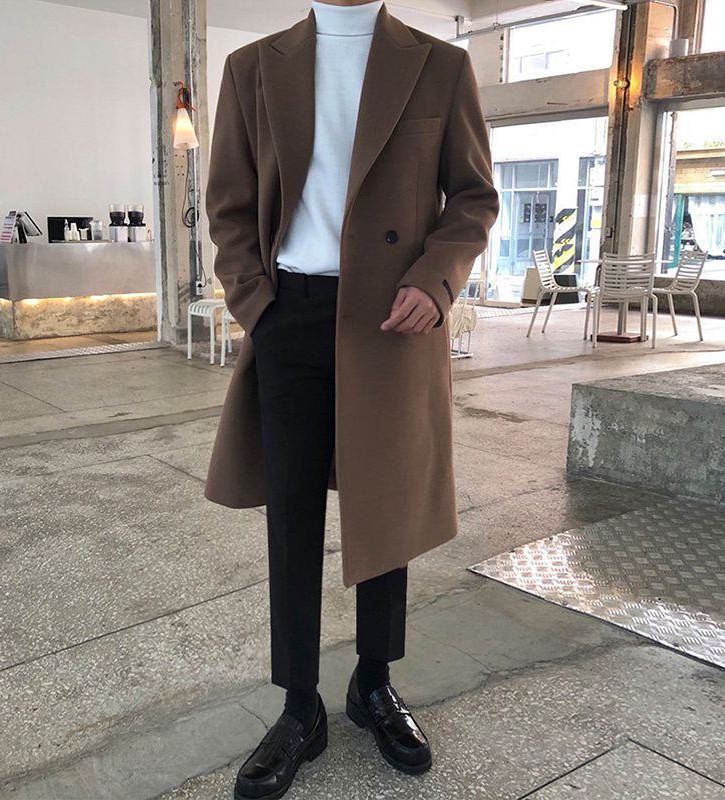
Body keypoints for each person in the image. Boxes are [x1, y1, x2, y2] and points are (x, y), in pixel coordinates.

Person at [203, 1, 499, 797]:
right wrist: (257, 304)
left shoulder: (441, 64)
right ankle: (300, 707)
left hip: (393, 314)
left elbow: (473, 197)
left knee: (387, 507)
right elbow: (229, 204)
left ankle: (374, 684)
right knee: (292, 513)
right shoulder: (252, 67)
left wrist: (436, 280)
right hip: (289, 313)